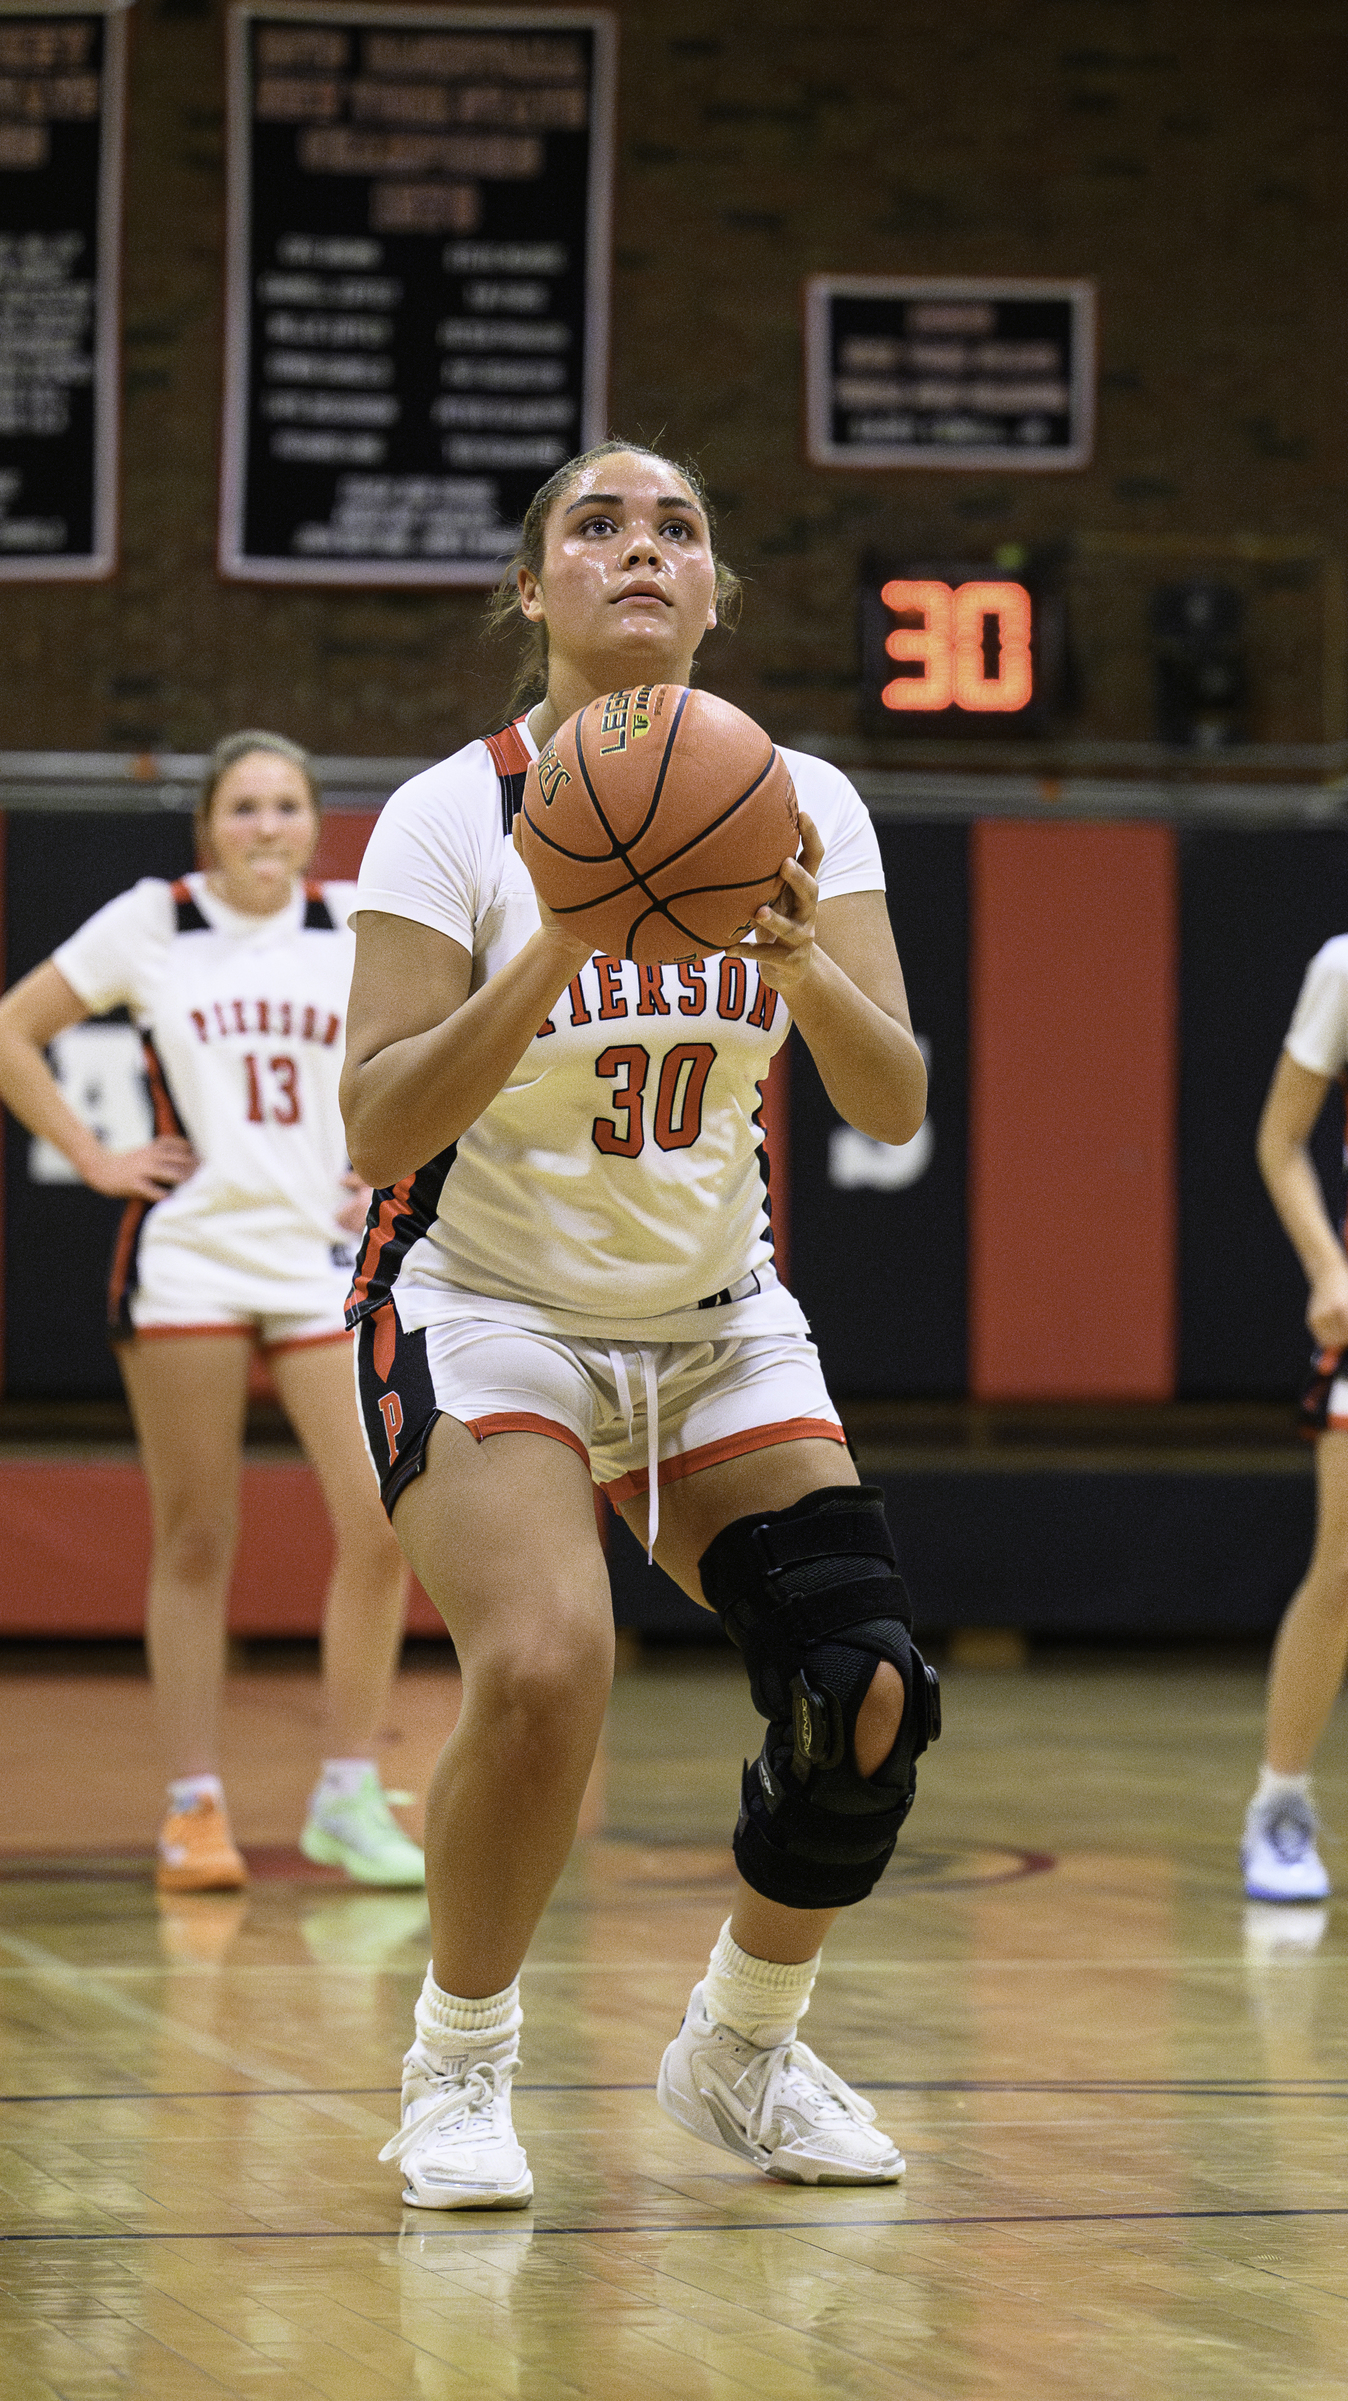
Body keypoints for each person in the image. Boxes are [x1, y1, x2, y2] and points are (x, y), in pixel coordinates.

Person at [340, 440, 938, 2210]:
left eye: (678, 524)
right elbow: (376, 1130)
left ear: (714, 591)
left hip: (712, 1320)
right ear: (535, 591)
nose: (640, 550)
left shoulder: (809, 800)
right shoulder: (450, 811)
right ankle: (458, 2064)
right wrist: (556, 940)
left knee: (869, 1690)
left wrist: (801, 957)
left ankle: (742, 2046)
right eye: (595, 526)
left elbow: (894, 1099)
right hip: (481, 1302)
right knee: (542, 1667)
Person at [0, 731, 424, 1896]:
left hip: (322, 1259)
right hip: (191, 1259)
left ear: (314, 821)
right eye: (244, 807)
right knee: (195, 1536)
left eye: (286, 806)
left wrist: (389, 1163)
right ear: (207, 827)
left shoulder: (358, 924)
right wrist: (94, 1154)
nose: (266, 825)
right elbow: (5, 1036)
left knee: (381, 1526)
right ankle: (193, 1803)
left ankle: (346, 1793)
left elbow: (432, 1062)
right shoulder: (152, 922)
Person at [1246, 937, 1348, 1901]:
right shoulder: (1343, 967)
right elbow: (1282, 1137)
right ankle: (1280, 1805)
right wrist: (1328, 1265)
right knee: (1346, 1566)